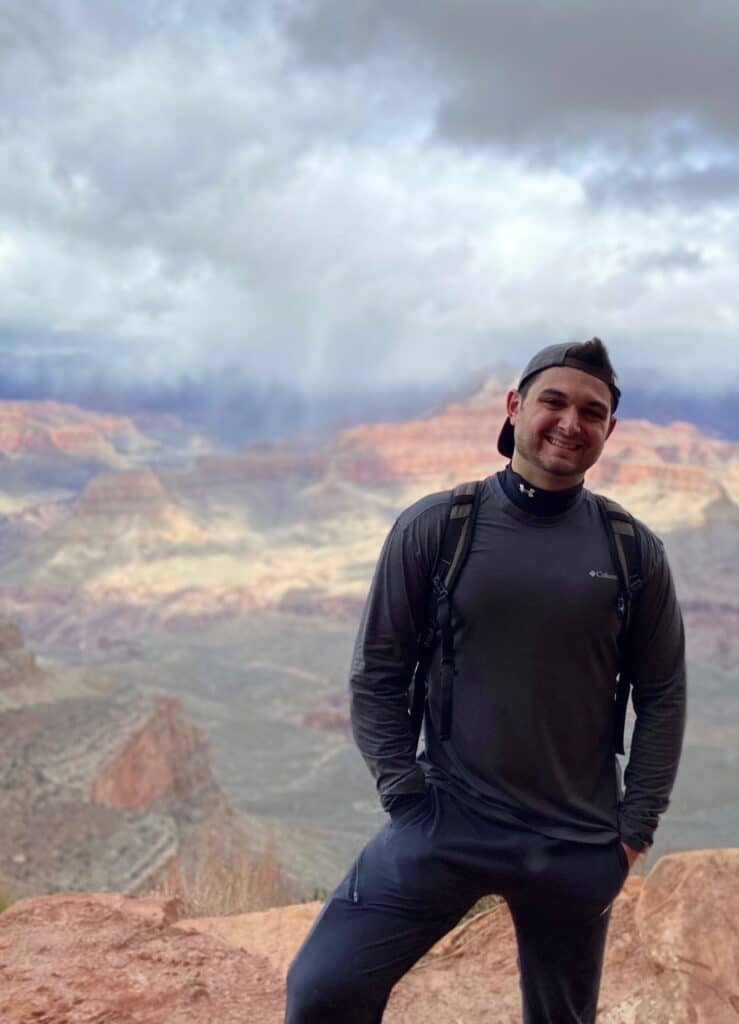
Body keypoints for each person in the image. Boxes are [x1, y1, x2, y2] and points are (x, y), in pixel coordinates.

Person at [286, 339, 687, 1023]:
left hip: (577, 841)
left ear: (609, 431)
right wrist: (404, 797)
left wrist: (631, 835)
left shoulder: (633, 550)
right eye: (554, 402)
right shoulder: (438, 527)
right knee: (325, 989)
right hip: (447, 821)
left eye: (593, 412)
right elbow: (378, 673)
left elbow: (663, 695)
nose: (570, 423)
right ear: (515, 406)